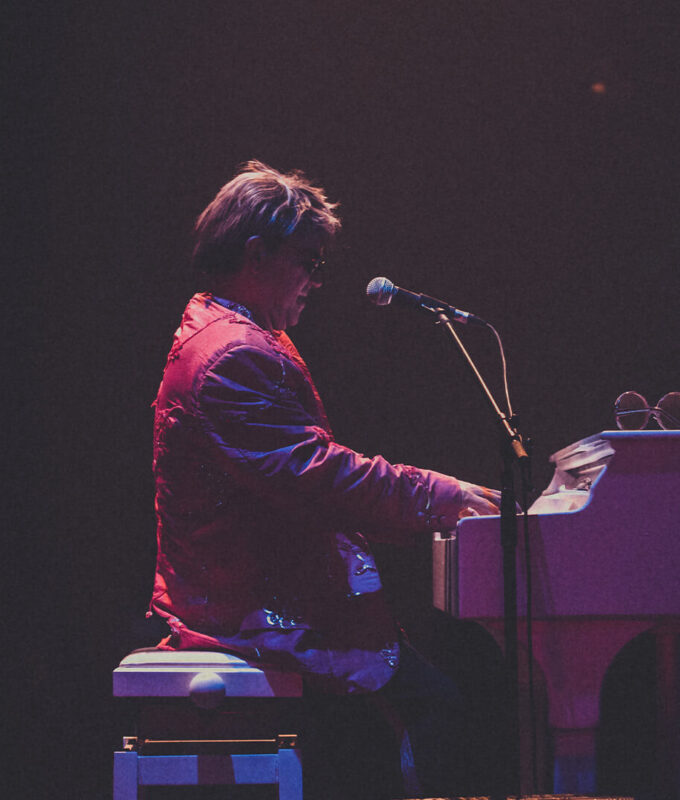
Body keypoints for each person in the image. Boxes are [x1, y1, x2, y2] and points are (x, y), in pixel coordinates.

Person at [148, 160, 502, 796]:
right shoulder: (232, 353)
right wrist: (436, 495)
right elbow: (316, 473)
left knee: (413, 715)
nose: (316, 281)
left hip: (262, 583)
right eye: (308, 261)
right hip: (250, 603)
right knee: (440, 714)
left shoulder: (235, 330)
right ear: (257, 253)